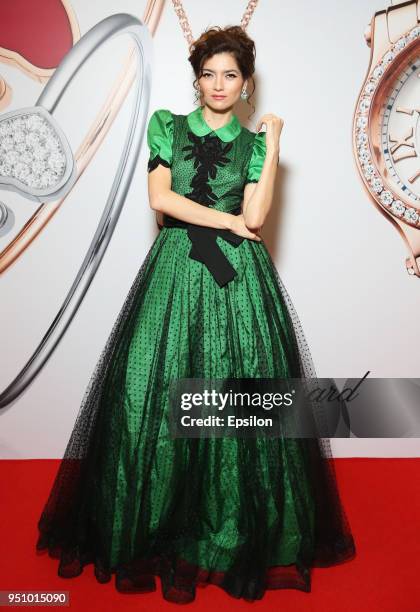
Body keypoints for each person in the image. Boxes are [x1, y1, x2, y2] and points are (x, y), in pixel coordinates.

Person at [35, 25, 356, 604]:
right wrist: (225, 221)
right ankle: (147, 526)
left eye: (229, 74)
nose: (217, 84)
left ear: (246, 83)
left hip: (237, 283)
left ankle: (226, 541)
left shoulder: (254, 142)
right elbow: (160, 200)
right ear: (197, 79)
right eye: (208, 74)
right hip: (174, 272)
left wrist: (274, 141)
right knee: (145, 396)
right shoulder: (168, 126)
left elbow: (254, 216)